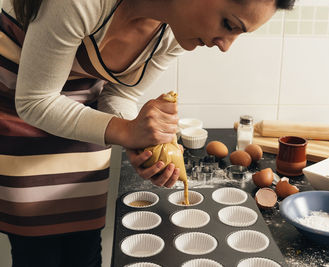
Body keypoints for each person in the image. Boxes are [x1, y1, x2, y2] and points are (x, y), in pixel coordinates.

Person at [0, 0, 295, 266]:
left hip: (85, 129)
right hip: (19, 124)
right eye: (229, 25)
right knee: (38, 255)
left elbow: (119, 95)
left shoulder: (174, 32)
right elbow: (34, 101)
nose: (226, 45)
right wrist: (126, 130)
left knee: (84, 250)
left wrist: (141, 142)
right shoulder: (83, 3)